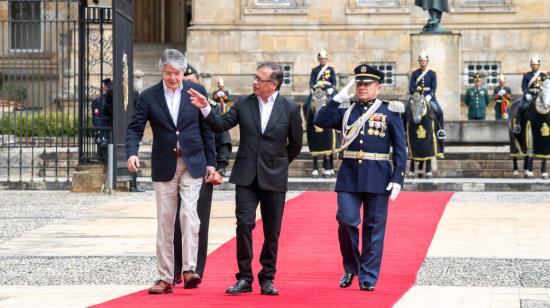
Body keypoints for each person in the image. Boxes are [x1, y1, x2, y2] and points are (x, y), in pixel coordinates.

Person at [187, 62, 303, 296]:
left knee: (272, 230)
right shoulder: (243, 102)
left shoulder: (289, 108)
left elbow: (296, 145)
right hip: (246, 176)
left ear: (274, 84)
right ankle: (245, 277)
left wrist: (278, 163)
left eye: (260, 79)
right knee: (244, 226)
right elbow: (221, 125)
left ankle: (267, 277)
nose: (255, 82)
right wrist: (205, 109)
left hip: (274, 177)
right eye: (255, 77)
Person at [126, 49, 216, 294]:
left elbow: (208, 128)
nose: (173, 78)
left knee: (189, 215)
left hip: (193, 163)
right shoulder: (148, 96)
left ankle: (188, 270)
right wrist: (132, 152)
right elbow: (135, 128)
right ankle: (165, 277)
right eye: (168, 73)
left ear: (184, 72)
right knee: (165, 221)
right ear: (161, 71)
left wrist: (212, 163)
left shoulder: (197, 93)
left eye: (176, 73)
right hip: (165, 164)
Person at [314, 64, 407, 291]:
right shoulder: (347, 109)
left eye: (367, 84)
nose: (362, 87)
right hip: (349, 176)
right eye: (359, 83)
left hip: (378, 175)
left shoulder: (389, 111)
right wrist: (335, 100)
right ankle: (352, 267)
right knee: (346, 221)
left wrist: (398, 178)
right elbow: (320, 121)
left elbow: (401, 148)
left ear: (378, 87)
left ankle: (368, 276)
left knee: (374, 228)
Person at [173, 64, 232, 286]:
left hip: (203, 169)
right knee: (173, 220)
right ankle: (175, 268)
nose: (187, 85)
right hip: (175, 169)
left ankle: (194, 269)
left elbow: (223, 140)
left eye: (191, 80)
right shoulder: (175, 105)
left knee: (197, 221)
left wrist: (220, 168)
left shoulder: (211, 106)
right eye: (184, 80)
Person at [304, 48, 338, 177]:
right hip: (317, 90)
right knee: (307, 104)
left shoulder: (331, 69)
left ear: (326, 59)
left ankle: (338, 124)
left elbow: (334, 82)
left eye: (324, 59)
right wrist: (314, 88)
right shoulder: (315, 70)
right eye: (321, 59)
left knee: (337, 103)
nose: (322, 60)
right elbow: (311, 82)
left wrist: (331, 89)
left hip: (328, 90)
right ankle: (307, 121)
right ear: (319, 60)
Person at [409, 50, 445, 153]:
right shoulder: (415, 73)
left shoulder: (432, 73)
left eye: (424, 61)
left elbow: (434, 87)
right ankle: (404, 130)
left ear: (427, 61)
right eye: (421, 61)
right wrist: (417, 93)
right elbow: (411, 87)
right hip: (417, 98)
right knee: (406, 111)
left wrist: (429, 96)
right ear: (419, 61)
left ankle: (440, 131)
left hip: (430, 97)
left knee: (439, 111)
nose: (423, 62)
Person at [514, 55, 548, 133]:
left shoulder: (543, 75)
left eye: (536, 65)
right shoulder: (527, 75)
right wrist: (526, 94)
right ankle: (517, 124)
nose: (534, 66)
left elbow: (546, 86)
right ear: (531, 66)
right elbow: (523, 87)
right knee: (522, 106)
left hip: (541, 95)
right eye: (533, 65)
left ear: (539, 65)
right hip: (530, 95)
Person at [91, 78, 113, 162]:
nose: (108, 88)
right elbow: (96, 116)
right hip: (103, 127)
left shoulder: (115, 99)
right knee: (103, 148)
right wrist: (98, 129)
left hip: (111, 126)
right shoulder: (98, 100)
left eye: (109, 86)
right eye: (107, 86)